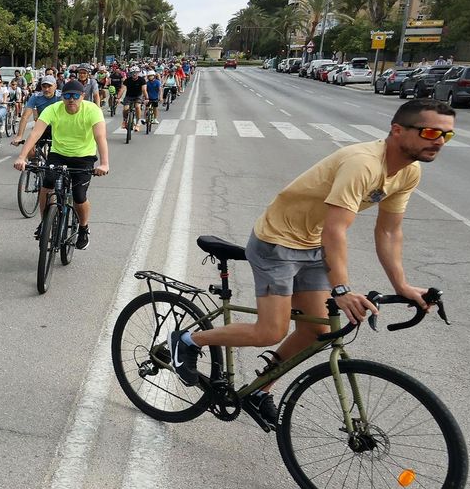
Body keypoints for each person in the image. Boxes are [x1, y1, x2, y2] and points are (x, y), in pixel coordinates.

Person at [169, 99, 453, 429]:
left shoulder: (408, 172)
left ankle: (259, 390)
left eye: (447, 135)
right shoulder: (363, 164)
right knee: (269, 331)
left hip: (313, 245)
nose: (439, 141)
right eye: (432, 132)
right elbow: (336, 229)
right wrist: (342, 289)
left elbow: (389, 231)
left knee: (316, 330)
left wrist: (401, 286)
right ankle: (188, 341)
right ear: (397, 130)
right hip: (277, 241)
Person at [11, 80, 111, 249]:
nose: (71, 99)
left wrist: (104, 164)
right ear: (62, 97)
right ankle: (44, 223)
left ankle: (83, 228)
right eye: (67, 96)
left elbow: (100, 137)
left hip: (84, 156)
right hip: (58, 155)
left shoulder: (92, 110)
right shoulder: (53, 109)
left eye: (75, 96)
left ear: (82, 97)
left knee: (79, 195)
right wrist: (22, 157)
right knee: (47, 186)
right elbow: (35, 133)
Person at [13, 79, 61, 146]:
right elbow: (25, 116)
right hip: (41, 126)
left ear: (55, 86)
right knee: (30, 150)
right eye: (44, 87)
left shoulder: (61, 96)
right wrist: (19, 136)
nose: (46, 89)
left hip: (58, 127)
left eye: (49, 86)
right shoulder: (36, 96)